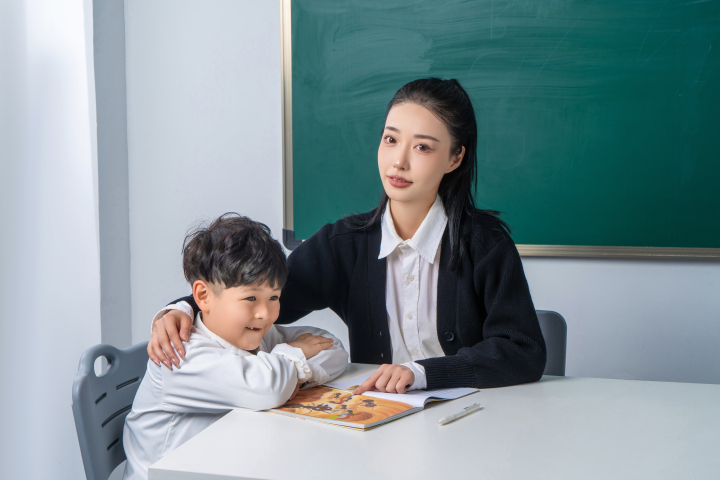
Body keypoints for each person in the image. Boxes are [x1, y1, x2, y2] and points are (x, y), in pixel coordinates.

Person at [148, 77, 546, 395]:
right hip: (379, 422)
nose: (399, 161)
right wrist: (181, 309)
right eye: (391, 139)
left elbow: (523, 351)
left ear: (455, 158)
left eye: (422, 147)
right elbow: (263, 298)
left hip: (475, 421)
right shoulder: (344, 244)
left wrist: (420, 373)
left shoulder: (485, 244)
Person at [122, 214, 348, 480]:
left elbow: (333, 348)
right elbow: (269, 387)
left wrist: (293, 371)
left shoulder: (256, 336)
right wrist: (295, 358)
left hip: (226, 466)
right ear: (203, 296)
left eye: (274, 297)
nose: (265, 313)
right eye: (251, 298)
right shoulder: (182, 354)